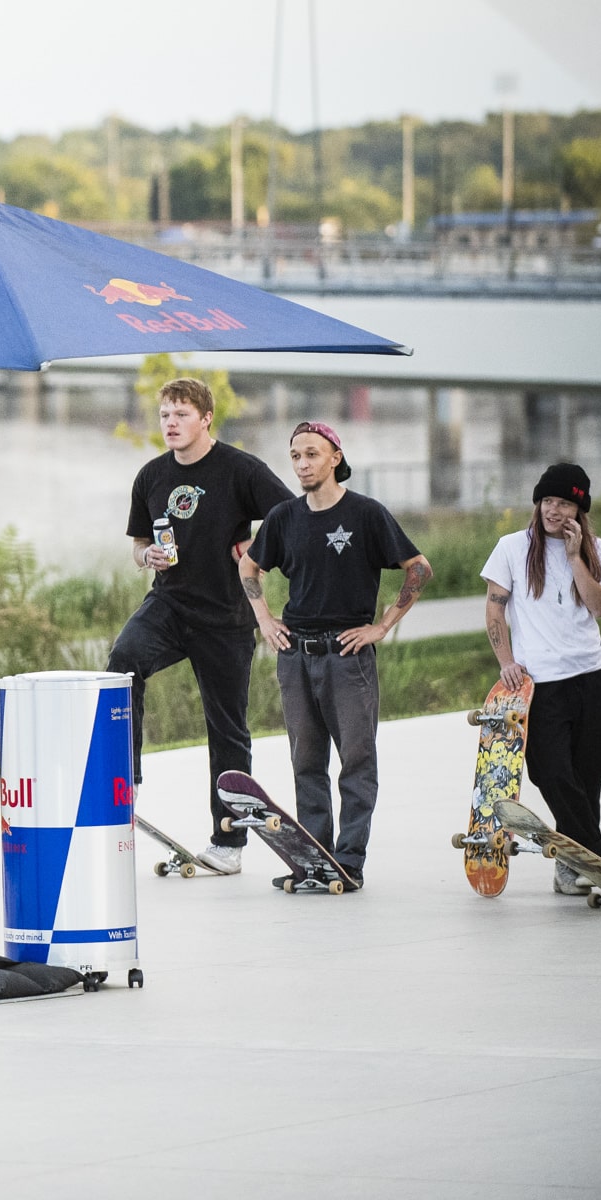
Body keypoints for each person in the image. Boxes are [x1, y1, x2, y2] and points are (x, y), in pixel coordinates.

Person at [106, 377, 293, 874]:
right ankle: (128, 777)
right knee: (123, 664)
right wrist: (147, 555)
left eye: (181, 414)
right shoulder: (150, 476)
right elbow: (137, 544)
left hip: (226, 617)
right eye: (165, 414)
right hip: (169, 605)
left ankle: (228, 843)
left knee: (227, 729)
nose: (170, 423)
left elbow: (290, 519)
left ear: (206, 418)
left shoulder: (240, 470)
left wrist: (256, 552)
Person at [239, 422, 432, 888]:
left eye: (311, 454)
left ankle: (348, 861)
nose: (302, 463)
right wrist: (265, 620)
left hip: (347, 657)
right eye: (295, 457)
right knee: (306, 762)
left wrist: (382, 625)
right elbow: (249, 565)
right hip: (296, 655)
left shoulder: (366, 514)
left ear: (334, 458)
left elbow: (418, 567)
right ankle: (314, 859)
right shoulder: (284, 517)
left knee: (357, 761)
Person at [480, 463, 601, 893]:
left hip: (591, 676)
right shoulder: (511, 547)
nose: (553, 511)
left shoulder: (598, 550)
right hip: (540, 682)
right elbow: (494, 608)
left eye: (564, 503)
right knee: (551, 771)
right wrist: (505, 660)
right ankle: (593, 852)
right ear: (537, 502)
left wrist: (576, 559)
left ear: (580, 509)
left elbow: (600, 607)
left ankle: (570, 867)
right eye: (548, 501)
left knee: (586, 777)